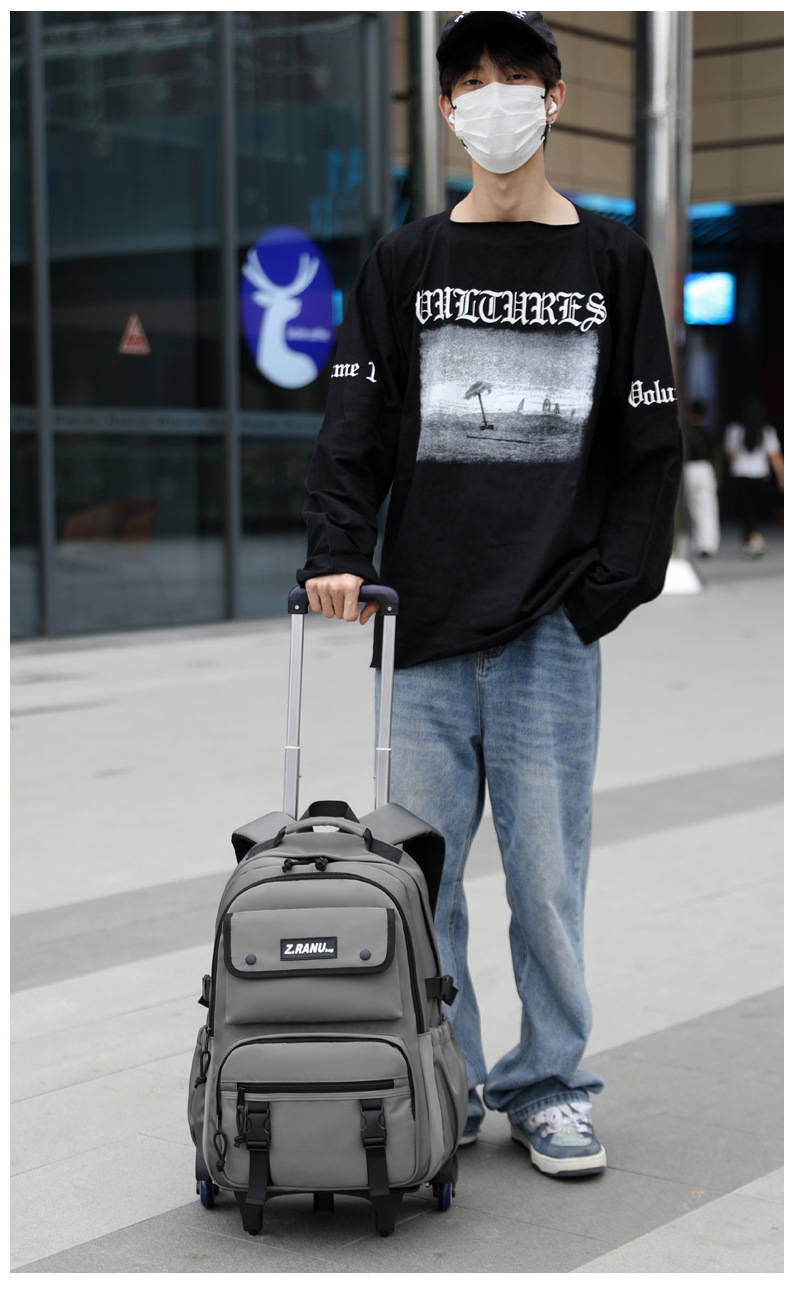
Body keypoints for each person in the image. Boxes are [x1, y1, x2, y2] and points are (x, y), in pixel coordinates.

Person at [297, 11, 682, 1178]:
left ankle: (550, 1083)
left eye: (515, 76)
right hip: (420, 626)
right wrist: (337, 551)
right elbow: (354, 422)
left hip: (551, 632)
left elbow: (648, 446)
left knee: (547, 881)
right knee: (421, 880)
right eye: (470, 79)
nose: (493, 96)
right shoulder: (405, 261)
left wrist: (606, 591)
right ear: (447, 109)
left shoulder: (610, 259)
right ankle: (446, 1080)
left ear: (554, 99)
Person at [724, 396, 784, 557]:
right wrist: (782, 477)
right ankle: (752, 540)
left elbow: (730, 456)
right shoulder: (767, 432)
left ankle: (754, 539)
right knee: (754, 510)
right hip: (760, 476)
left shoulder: (734, 431)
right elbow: (775, 458)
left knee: (746, 511)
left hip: (741, 475)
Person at [683, 399, 721, 557]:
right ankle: (709, 543)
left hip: (689, 469)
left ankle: (699, 543)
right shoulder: (708, 431)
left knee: (693, 507)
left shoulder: (686, 431)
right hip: (706, 468)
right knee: (708, 506)